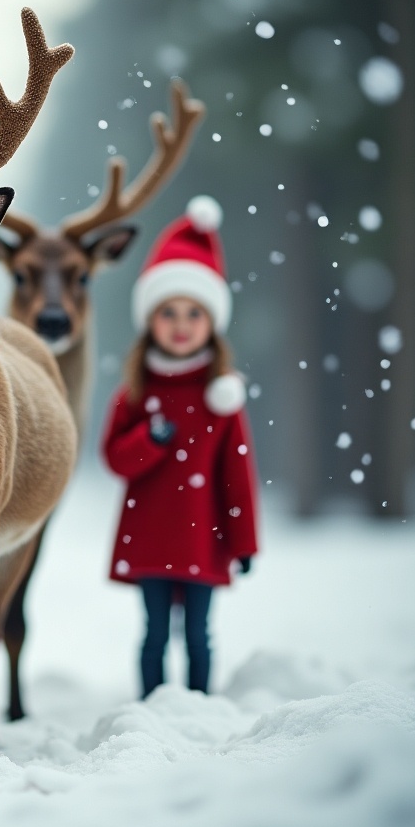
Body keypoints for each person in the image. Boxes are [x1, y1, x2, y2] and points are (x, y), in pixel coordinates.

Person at [101, 195, 258, 698]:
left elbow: (238, 476)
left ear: (212, 322)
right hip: (151, 536)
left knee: (197, 634)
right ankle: (151, 707)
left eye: (195, 312)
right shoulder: (138, 392)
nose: (182, 324)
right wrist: (150, 440)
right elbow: (115, 457)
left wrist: (244, 541)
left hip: (203, 538)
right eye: (169, 312)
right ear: (151, 321)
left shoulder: (222, 397)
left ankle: (198, 707)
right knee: (152, 634)